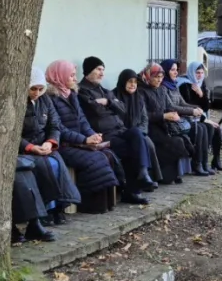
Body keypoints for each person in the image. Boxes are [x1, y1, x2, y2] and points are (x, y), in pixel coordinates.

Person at [45, 60, 129, 212]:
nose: (75, 79)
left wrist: (92, 135)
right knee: (95, 158)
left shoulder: (71, 94)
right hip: (64, 145)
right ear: (60, 76)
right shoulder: (50, 99)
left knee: (107, 154)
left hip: (79, 142)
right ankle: (90, 204)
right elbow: (59, 129)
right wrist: (84, 140)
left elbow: (82, 121)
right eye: (71, 76)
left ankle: (106, 203)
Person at [78, 56, 157, 194]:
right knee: (132, 147)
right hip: (104, 133)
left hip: (120, 129)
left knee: (137, 134)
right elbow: (95, 109)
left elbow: (122, 109)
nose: (102, 73)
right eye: (99, 69)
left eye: (103, 70)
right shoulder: (82, 91)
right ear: (89, 70)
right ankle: (133, 191)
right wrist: (112, 103)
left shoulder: (103, 90)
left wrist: (108, 103)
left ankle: (143, 173)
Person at [21, 69, 81, 225]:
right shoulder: (18, 102)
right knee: (44, 165)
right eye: (33, 88)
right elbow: (13, 135)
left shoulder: (45, 100)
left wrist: (50, 142)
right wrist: (31, 147)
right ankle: (47, 209)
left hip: (44, 146)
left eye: (41, 89)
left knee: (57, 164)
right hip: (25, 149)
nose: (37, 93)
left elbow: (54, 125)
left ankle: (58, 206)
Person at [162, 59, 221, 175]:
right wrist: (193, 110)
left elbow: (186, 103)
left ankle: (205, 163)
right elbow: (171, 106)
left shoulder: (173, 85)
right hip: (177, 121)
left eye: (176, 70)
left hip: (190, 118)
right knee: (201, 128)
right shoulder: (177, 86)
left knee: (210, 128)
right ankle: (197, 163)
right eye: (172, 70)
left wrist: (199, 99)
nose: (175, 73)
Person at [136, 63, 191, 184]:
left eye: (161, 77)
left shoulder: (162, 89)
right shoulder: (141, 91)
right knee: (170, 142)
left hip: (164, 125)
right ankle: (163, 176)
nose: (159, 80)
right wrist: (163, 116)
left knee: (179, 140)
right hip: (149, 127)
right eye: (156, 77)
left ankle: (171, 174)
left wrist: (173, 114)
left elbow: (169, 106)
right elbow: (144, 115)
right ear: (148, 76)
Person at [112, 68, 163, 185]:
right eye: (130, 81)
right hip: (122, 133)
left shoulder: (138, 98)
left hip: (137, 132)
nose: (132, 85)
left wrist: (140, 132)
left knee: (148, 143)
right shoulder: (114, 96)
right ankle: (144, 179)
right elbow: (114, 120)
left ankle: (150, 177)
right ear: (123, 81)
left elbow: (145, 119)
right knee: (143, 143)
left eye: (135, 82)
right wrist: (133, 133)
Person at [185, 60, 222, 170]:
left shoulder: (201, 84)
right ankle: (202, 162)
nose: (200, 75)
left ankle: (216, 160)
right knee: (209, 128)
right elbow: (187, 105)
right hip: (191, 118)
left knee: (217, 129)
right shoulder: (185, 85)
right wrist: (204, 119)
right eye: (197, 72)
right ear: (192, 72)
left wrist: (201, 94)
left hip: (201, 116)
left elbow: (207, 107)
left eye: (202, 73)